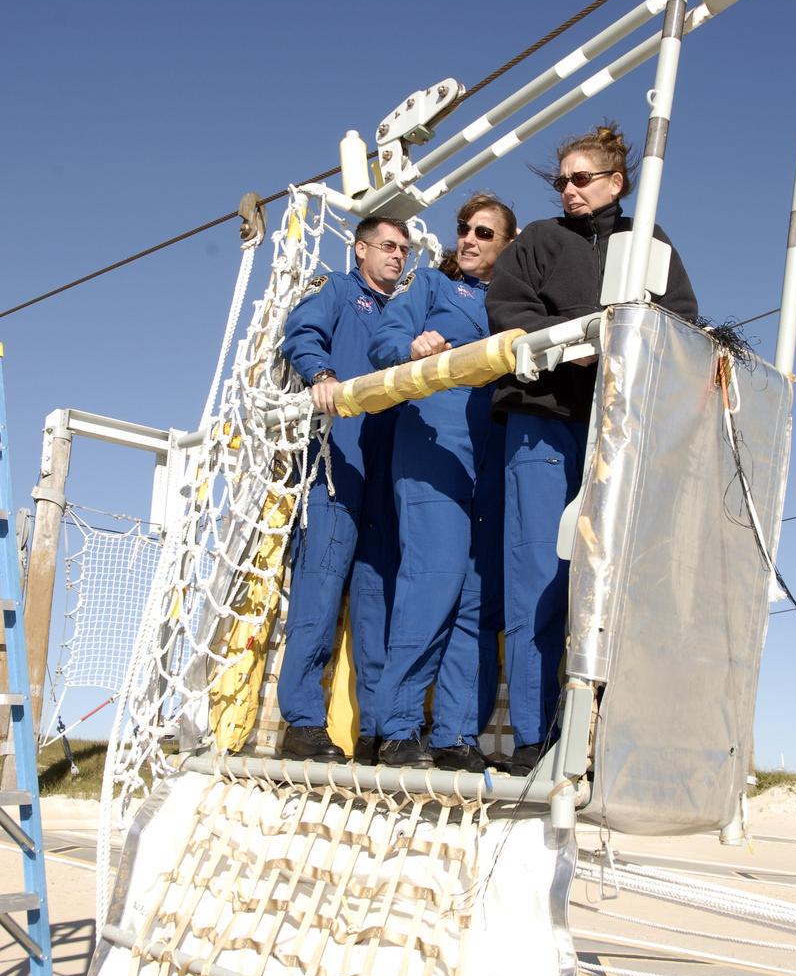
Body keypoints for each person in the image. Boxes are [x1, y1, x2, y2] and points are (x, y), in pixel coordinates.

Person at [486, 123, 697, 774]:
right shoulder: (541, 242)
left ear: (616, 182)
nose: (569, 190)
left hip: (617, 429)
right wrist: (578, 339)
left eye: (582, 179)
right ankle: (532, 736)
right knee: (540, 581)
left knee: (607, 584)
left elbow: (681, 319)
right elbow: (507, 308)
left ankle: (595, 735)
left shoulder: (649, 243)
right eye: (562, 181)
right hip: (544, 419)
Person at [368, 192, 517, 771]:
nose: (470, 240)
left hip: (492, 461)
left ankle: (456, 734)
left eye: (484, 233)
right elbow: (386, 337)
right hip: (434, 452)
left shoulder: (513, 304)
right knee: (433, 581)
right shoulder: (431, 286)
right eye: (464, 229)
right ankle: (398, 727)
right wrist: (412, 346)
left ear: (507, 245)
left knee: (480, 602)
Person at [277, 215, 412, 762]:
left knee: (379, 599)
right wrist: (320, 375)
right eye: (387, 246)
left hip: (389, 469)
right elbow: (301, 333)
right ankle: (304, 723)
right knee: (320, 588)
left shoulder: (402, 313)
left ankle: (377, 728)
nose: (397, 256)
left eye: (405, 249)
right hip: (337, 461)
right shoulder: (335, 289)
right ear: (360, 250)